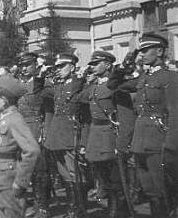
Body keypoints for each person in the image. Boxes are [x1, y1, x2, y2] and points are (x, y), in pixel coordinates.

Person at [107, 33, 178, 216]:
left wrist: (171, 149)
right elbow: (113, 85)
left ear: (160, 51)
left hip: (159, 144)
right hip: (140, 142)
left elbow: (175, 114)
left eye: (146, 50)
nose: (143, 54)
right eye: (141, 51)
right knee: (150, 191)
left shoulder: (170, 77)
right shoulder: (142, 78)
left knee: (164, 192)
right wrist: (125, 65)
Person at [80, 51, 130, 217]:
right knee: (103, 176)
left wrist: (122, 141)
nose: (92, 67)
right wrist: (86, 81)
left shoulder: (116, 85)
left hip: (110, 134)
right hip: (96, 135)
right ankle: (112, 206)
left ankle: (117, 211)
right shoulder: (93, 85)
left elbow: (124, 114)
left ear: (108, 65)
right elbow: (80, 100)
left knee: (116, 178)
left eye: (96, 64)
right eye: (92, 64)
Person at [0, 75, 39, 218]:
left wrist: (21, 181)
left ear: (5, 100)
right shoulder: (1, 116)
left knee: (12, 214)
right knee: (2, 212)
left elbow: (32, 150)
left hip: (8, 178)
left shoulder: (15, 119)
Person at [44, 53, 89, 218]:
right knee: (63, 173)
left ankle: (78, 209)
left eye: (62, 66)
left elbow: (85, 116)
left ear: (72, 67)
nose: (59, 70)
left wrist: (83, 141)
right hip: (57, 135)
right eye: (57, 67)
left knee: (75, 172)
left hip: (71, 134)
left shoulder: (79, 85)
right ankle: (72, 207)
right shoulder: (57, 86)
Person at [15, 52, 52, 218]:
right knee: (20, 169)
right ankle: (20, 205)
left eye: (28, 65)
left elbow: (50, 110)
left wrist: (45, 131)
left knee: (39, 170)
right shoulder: (18, 84)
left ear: (36, 65)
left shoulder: (44, 84)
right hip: (19, 129)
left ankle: (42, 206)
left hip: (36, 127)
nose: (24, 68)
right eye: (22, 65)